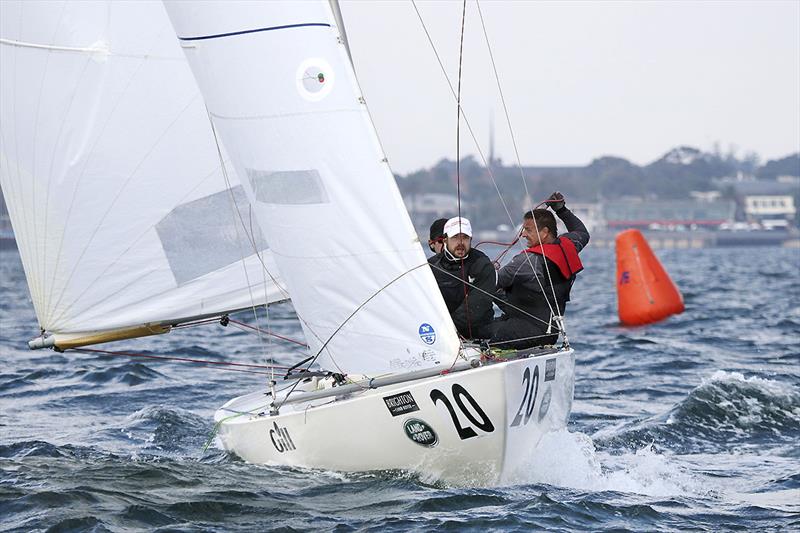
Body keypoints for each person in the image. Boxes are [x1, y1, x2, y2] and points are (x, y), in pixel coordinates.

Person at [491, 192, 589, 349]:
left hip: (526, 331)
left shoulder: (526, 261)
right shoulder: (569, 246)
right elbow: (582, 233)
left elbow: (490, 283)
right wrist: (562, 210)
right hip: (551, 333)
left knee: (481, 333)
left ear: (544, 233)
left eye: (528, 230)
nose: (523, 234)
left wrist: (483, 270)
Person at [428, 216, 496, 339]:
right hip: (441, 334)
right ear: (445, 240)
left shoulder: (482, 264)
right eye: (455, 238)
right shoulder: (430, 266)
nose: (460, 243)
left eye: (465, 238)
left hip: (477, 333)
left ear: (471, 239)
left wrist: (447, 332)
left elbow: (476, 308)